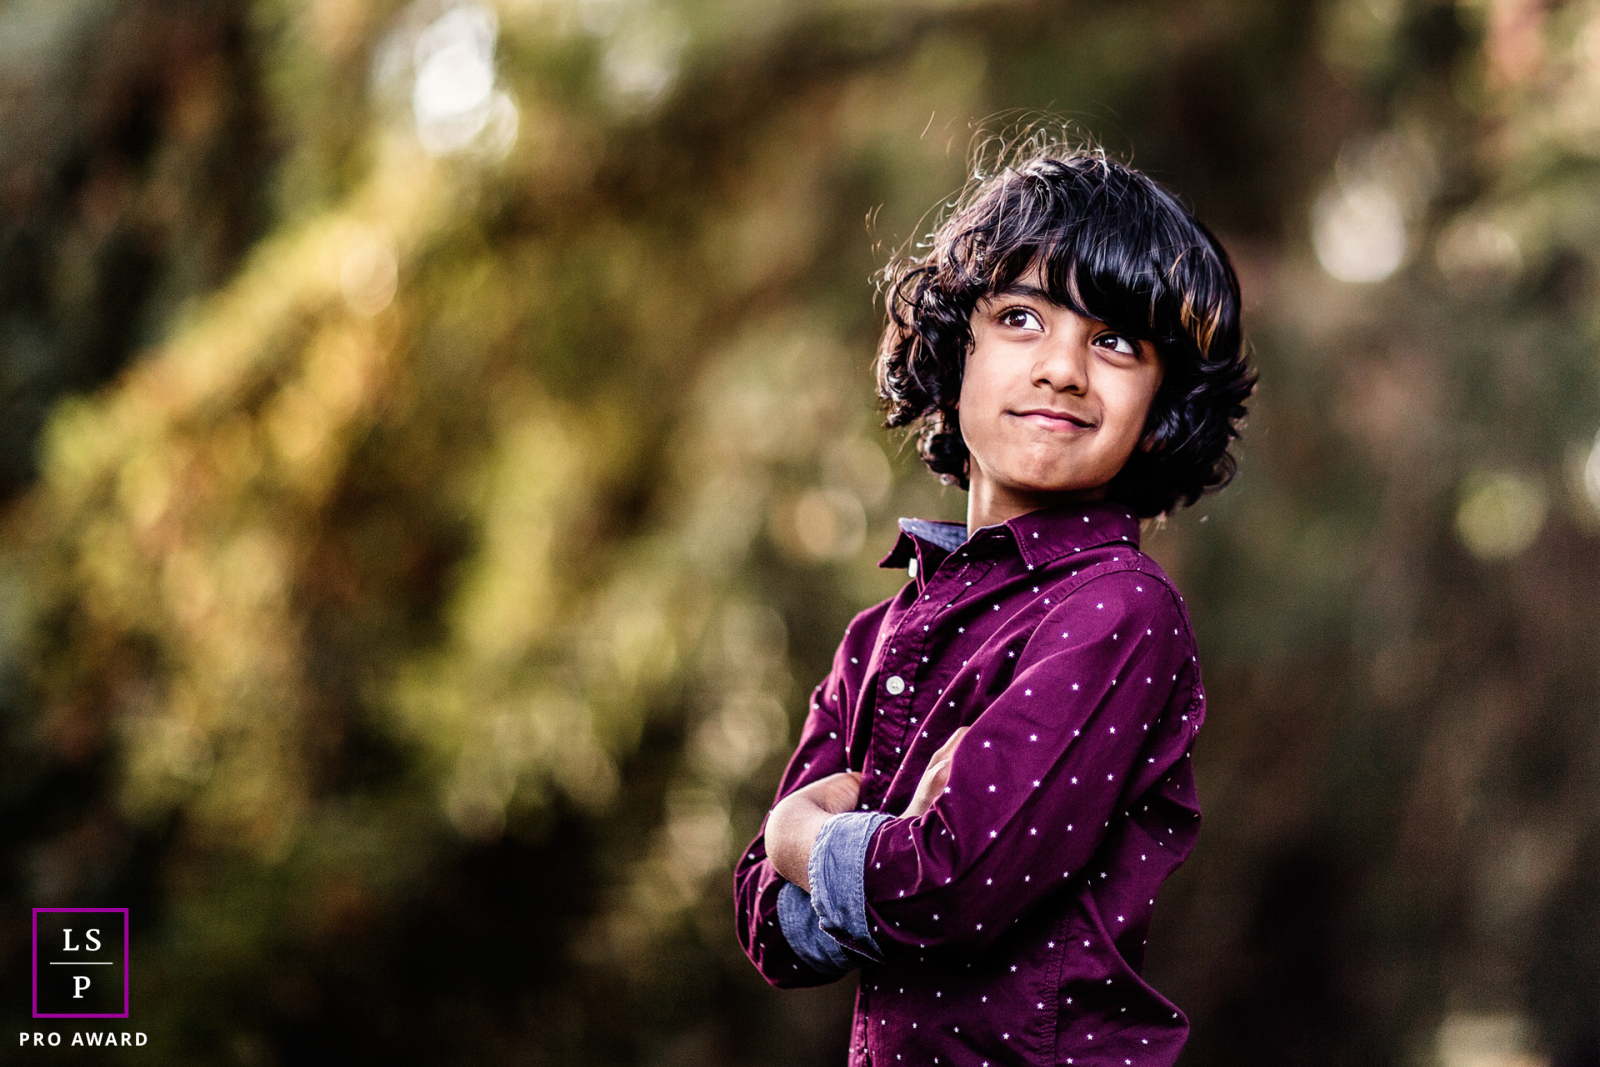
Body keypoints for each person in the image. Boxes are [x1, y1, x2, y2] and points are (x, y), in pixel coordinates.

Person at [734, 143, 1255, 1067]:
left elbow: (944, 888)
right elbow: (768, 929)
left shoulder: (1120, 612)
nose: (1062, 369)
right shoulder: (877, 637)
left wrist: (802, 832)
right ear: (952, 349)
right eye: (1021, 318)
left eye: (1115, 342)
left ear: (1160, 403)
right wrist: (866, 855)